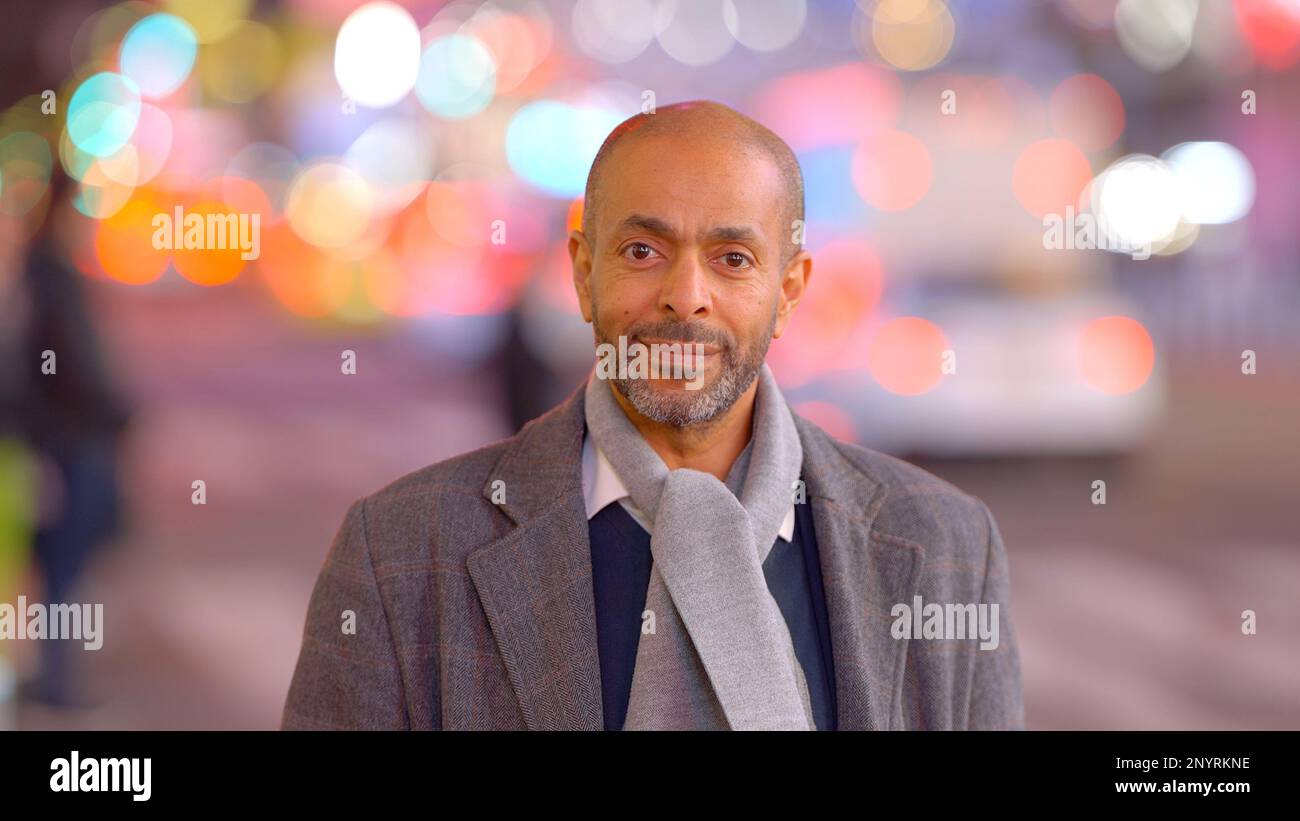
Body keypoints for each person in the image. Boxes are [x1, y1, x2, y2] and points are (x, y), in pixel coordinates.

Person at [283, 101, 1024, 730]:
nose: (684, 295)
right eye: (643, 250)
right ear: (582, 272)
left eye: (733, 258)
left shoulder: (948, 548)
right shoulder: (400, 554)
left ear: (790, 290)